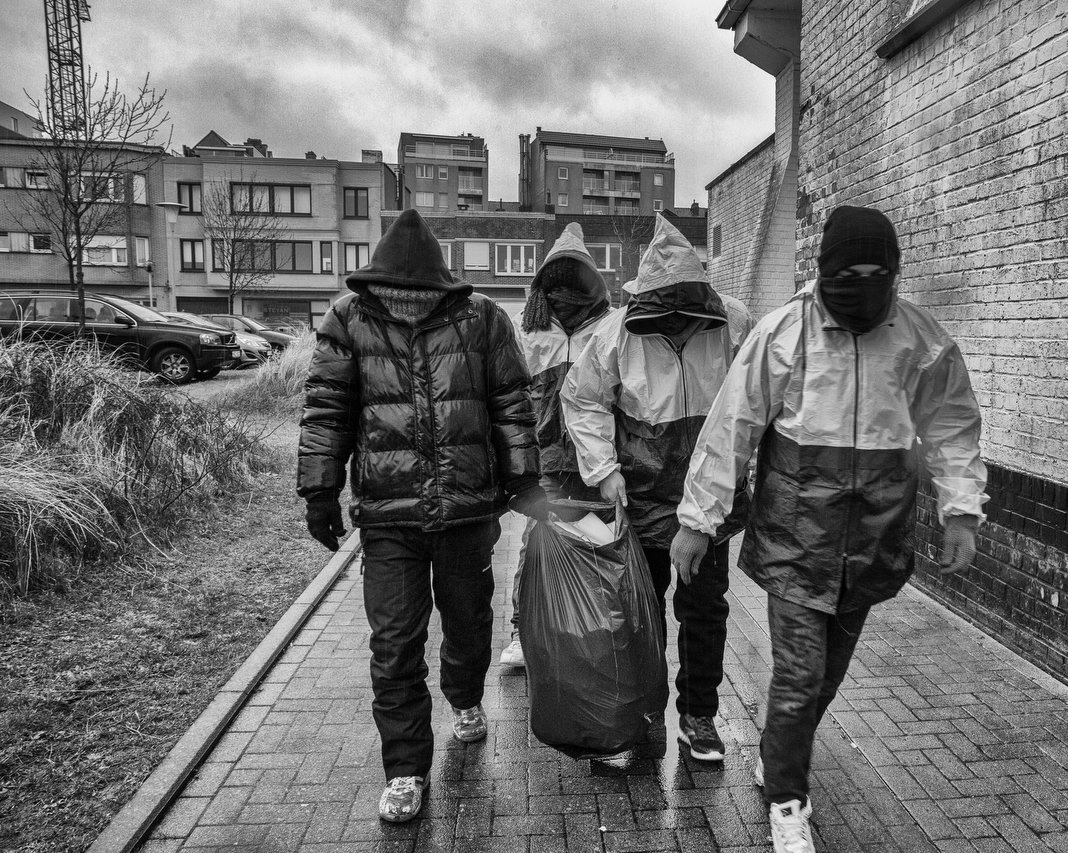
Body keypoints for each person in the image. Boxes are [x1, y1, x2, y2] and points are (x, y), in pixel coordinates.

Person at [671, 206, 987, 853]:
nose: (864, 282)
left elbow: (952, 425)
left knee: (826, 679)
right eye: (852, 271)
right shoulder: (784, 334)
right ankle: (788, 798)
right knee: (797, 675)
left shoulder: (918, 340)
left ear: (895, 275)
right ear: (826, 271)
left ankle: (777, 754)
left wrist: (960, 509)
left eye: (878, 272)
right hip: (795, 535)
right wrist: (698, 520)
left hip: (872, 538)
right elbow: (733, 424)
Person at [297, 209, 544, 823]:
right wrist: (319, 491)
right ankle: (406, 767)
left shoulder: (482, 318)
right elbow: (328, 409)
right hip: (388, 515)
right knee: (395, 641)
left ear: (439, 287)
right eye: (395, 295)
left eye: (416, 296)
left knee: (467, 621)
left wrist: (522, 476)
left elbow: (512, 401)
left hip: (466, 510)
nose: (405, 304)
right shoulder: (347, 320)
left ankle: (464, 697)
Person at [561, 214, 753, 763]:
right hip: (640, 497)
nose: (677, 331)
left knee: (703, 611)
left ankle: (699, 716)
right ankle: (637, 714)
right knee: (634, 614)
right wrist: (604, 470)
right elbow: (582, 400)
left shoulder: (734, 324)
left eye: (685, 322)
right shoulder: (616, 333)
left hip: (708, 502)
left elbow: (751, 407)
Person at [500, 222, 616, 668]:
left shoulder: (610, 328)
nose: (565, 292)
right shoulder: (527, 333)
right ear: (542, 286)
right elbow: (509, 399)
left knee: (598, 541)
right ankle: (522, 631)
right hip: (545, 462)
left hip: (595, 462)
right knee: (538, 543)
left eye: (575, 279)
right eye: (557, 281)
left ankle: (593, 629)